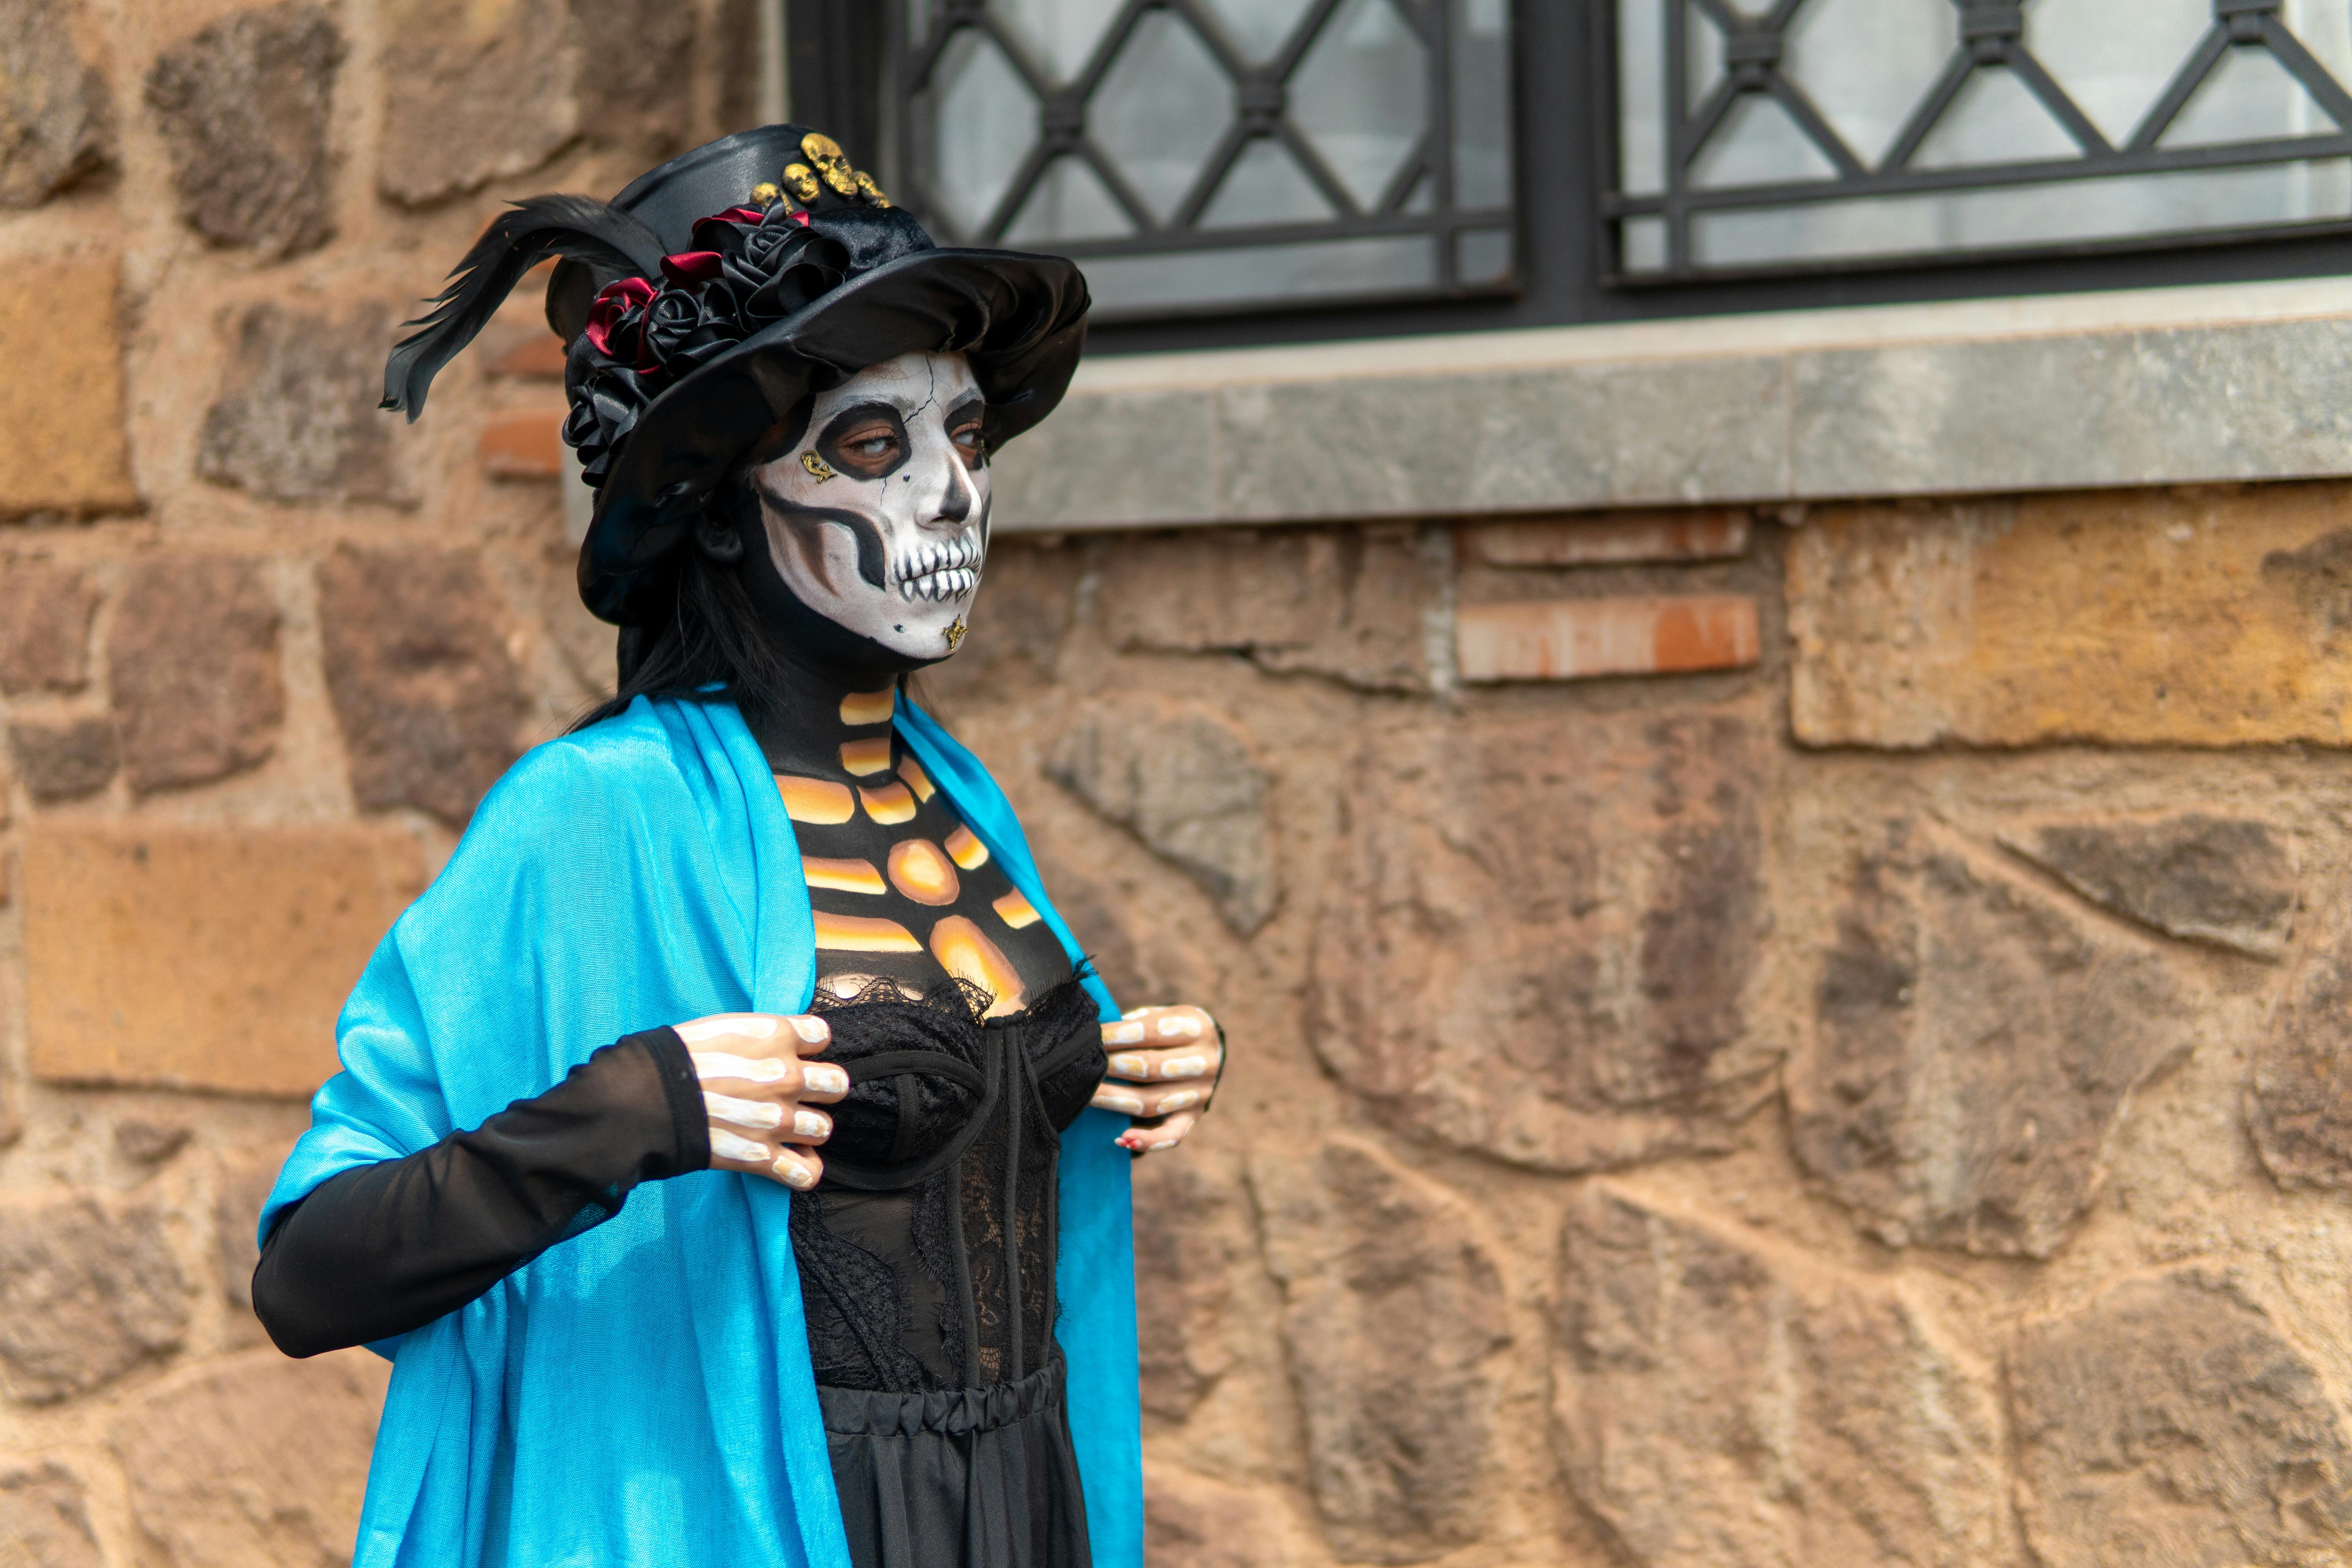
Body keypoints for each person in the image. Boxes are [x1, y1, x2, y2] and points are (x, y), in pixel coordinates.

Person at [251, 124, 1222, 1568]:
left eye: (963, 432)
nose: (952, 492)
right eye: (874, 445)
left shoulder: (958, 793)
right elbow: (312, 1271)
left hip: (1021, 1512)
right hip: (753, 1521)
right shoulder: (594, 815)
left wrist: (1126, 1068)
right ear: (719, 508)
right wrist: (633, 1106)